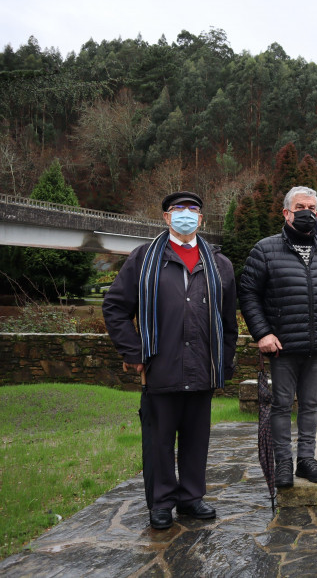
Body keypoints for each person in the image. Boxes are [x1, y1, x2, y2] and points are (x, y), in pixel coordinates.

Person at [103, 191, 238, 530]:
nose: (186, 215)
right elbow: (115, 307)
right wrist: (133, 351)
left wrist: (226, 358)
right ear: (165, 217)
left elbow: (228, 320)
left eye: (193, 210)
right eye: (178, 210)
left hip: (202, 366)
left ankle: (191, 498)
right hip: (160, 366)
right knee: (159, 442)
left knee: (196, 439)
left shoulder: (219, 263)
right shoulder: (144, 258)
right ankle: (161, 502)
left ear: (201, 219)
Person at [240, 186, 317, 486]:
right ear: (286, 212)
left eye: (312, 208)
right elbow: (248, 294)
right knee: (282, 404)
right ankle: (283, 464)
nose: (307, 213)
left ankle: (306, 460)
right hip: (283, 345)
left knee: (312, 404)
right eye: (300, 207)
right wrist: (262, 333)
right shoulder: (265, 249)